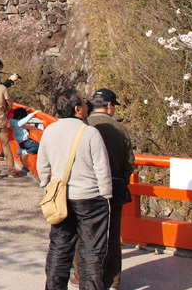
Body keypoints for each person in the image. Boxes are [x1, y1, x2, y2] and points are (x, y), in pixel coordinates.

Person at [37, 89, 112, 290]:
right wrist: (106, 194)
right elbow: (102, 167)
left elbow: (42, 165)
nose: (87, 105)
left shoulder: (50, 131)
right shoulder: (89, 133)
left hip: (61, 198)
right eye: (84, 103)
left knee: (59, 248)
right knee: (91, 252)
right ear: (78, 109)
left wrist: (46, 185)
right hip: (90, 198)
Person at [70, 88, 135, 290]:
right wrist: (120, 180)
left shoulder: (83, 126)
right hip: (113, 185)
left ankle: (80, 276)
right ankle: (112, 280)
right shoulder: (120, 129)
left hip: (86, 186)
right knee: (113, 235)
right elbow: (129, 163)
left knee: (84, 232)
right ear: (109, 106)